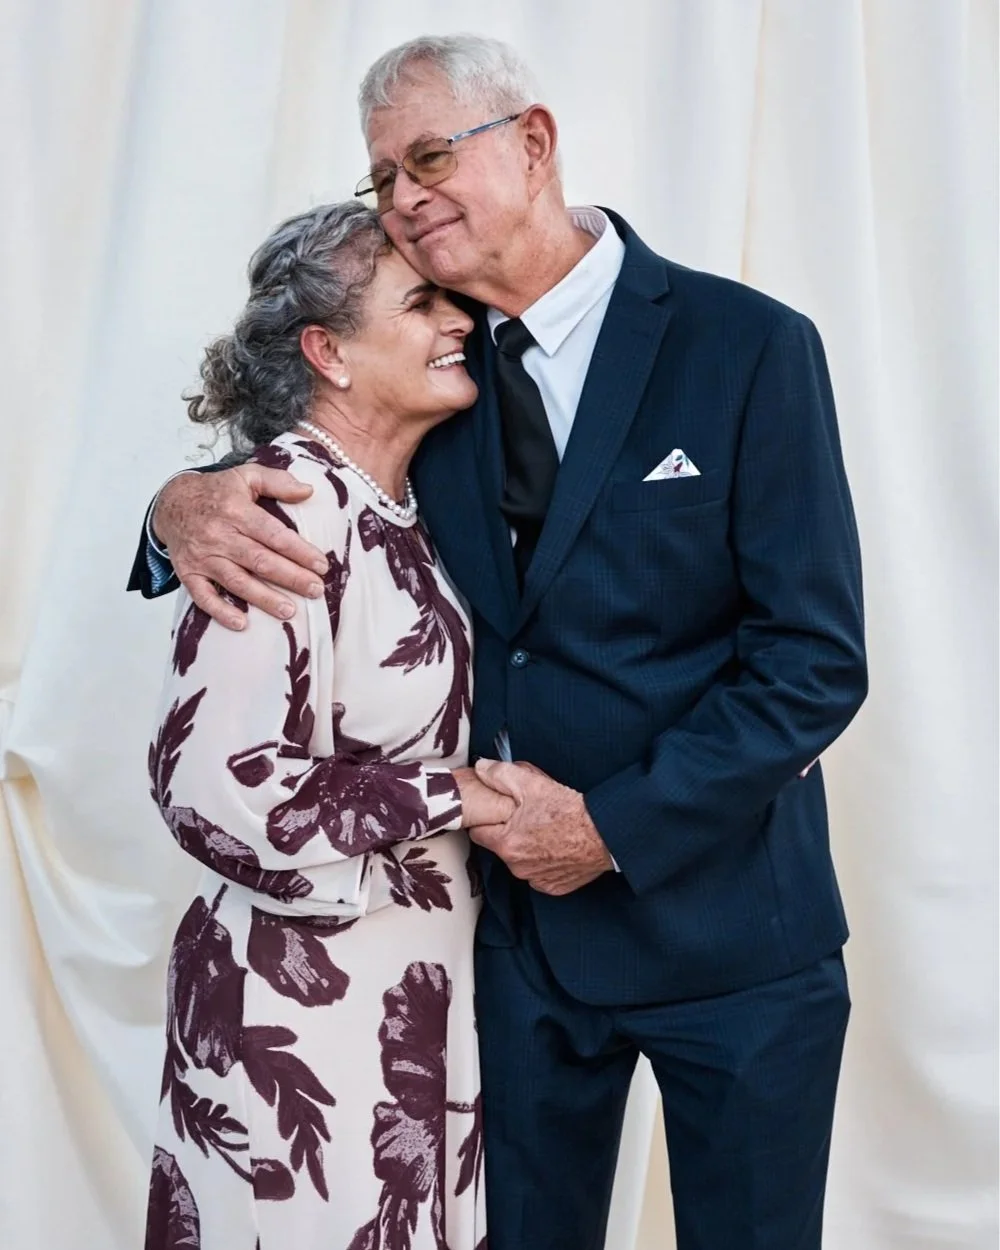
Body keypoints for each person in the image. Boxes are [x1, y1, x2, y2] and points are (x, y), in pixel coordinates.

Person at [131, 35, 868, 1250]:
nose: (404, 198)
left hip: (738, 938)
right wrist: (172, 507)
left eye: (430, 156)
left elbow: (814, 660)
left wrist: (608, 829)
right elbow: (314, 466)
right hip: (514, 955)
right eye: (382, 177)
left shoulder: (747, 346)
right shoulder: (436, 363)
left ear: (531, 144)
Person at [143, 199, 501, 1250]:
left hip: (413, 987)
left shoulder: (406, 505)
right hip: (302, 1003)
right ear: (326, 352)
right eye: (422, 301)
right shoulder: (284, 509)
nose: (460, 322)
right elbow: (213, 783)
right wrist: (457, 792)